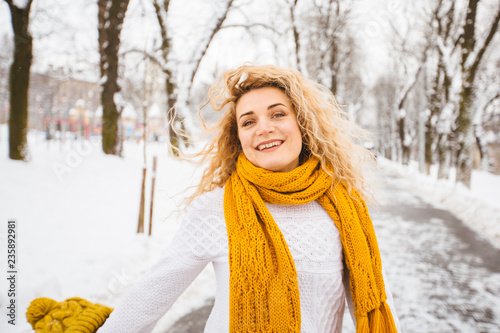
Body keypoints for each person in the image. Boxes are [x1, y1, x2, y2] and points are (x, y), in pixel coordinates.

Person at [98, 65, 400, 333]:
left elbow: (373, 299)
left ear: (302, 123)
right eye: (248, 121)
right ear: (238, 138)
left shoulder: (343, 207)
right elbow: (149, 298)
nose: (264, 128)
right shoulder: (215, 210)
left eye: (278, 114)